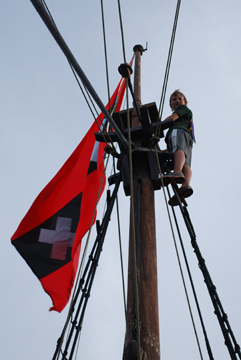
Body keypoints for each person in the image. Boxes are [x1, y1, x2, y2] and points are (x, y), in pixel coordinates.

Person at [161, 90, 195, 206]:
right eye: (174, 99)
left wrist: (157, 127)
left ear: (185, 102)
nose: (177, 101)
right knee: (186, 163)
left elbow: (172, 117)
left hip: (179, 131)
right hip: (187, 139)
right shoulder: (187, 115)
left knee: (177, 149)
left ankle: (176, 172)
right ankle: (185, 185)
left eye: (180, 99)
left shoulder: (182, 110)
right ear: (171, 105)